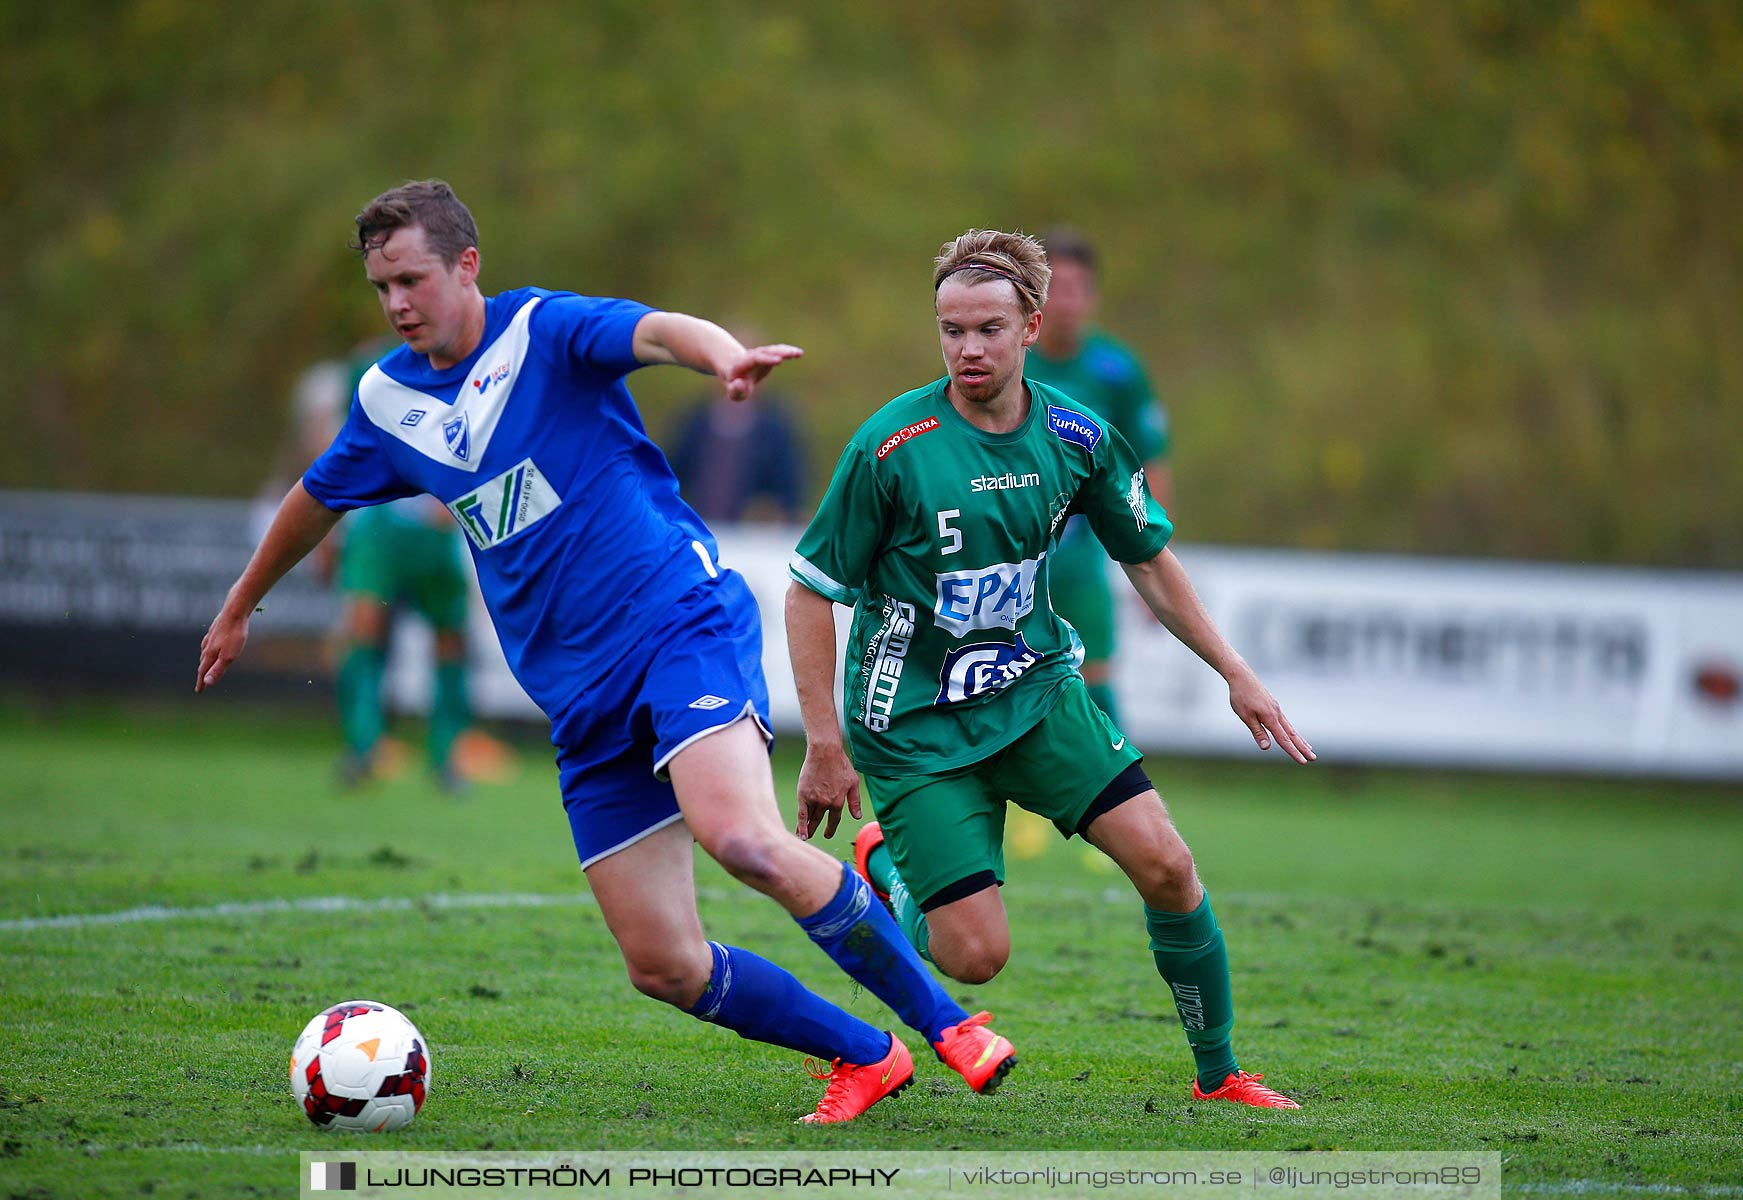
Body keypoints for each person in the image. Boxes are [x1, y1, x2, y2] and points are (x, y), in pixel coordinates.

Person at [196, 180, 1014, 1124]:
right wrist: (240, 603)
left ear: (467, 264)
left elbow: (659, 332)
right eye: (381, 287)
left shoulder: (543, 331)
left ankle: (950, 1025)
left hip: (676, 624)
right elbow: (315, 496)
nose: (396, 304)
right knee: (662, 964)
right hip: (579, 699)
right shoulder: (389, 400)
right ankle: (865, 1056)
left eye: (411, 279)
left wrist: (725, 359)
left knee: (743, 839)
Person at [785, 229, 1314, 1110]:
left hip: (1035, 695)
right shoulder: (892, 446)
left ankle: (1219, 1076)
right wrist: (823, 744)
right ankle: (894, 870)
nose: (969, 349)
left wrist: (1235, 671)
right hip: (914, 730)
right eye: (951, 330)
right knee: (975, 956)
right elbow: (810, 594)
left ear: (1032, 326)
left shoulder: (1077, 435)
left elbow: (1147, 558)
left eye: (989, 328)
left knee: (1170, 868)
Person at [1026, 228, 1171, 728]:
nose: (1066, 302)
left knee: (1094, 685)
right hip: (1008, 559)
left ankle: (1117, 798)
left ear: (1092, 295)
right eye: (1054, 288)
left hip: (1081, 560)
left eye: (1076, 288)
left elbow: (1148, 465)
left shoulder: (1116, 371)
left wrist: (1150, 558)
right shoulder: (1006, 360)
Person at [327, 341, 476, 791]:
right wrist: (331, 525)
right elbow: (341, 446)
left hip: (436, 529)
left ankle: (446, 756)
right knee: (362, 627)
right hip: (378, 529)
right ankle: (363, 747)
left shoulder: (476, 365)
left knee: (450, 638)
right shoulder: (365, 370)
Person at [665, 378, 808, 525]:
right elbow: (671, 473)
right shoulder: (696, 424)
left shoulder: (775, 432)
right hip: (699, 524)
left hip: (749, 535)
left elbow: (789, 489)